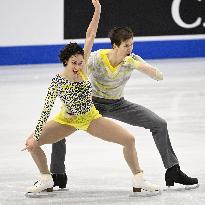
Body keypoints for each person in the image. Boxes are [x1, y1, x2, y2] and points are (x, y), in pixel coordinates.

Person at [22, 0, 160, 194]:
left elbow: (90, 35)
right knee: (32, 143)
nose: (78, 66)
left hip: (90, 118)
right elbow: (46, 110)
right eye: (74, 63)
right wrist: (36, 133)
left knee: (129, 139)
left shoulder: (84, 68)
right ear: (65, 62)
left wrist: (98, 10)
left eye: (80, 62)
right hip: (66, 120)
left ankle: (139, 180)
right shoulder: (57, 81)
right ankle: (46, 179)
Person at [50, 27, 199, 189]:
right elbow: (76, 71)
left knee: (159, 124)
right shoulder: (97, 58)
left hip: (118, 104)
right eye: (126, 46)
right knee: (59, 127)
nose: (130, 49)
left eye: (131, 45)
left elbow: (159, 76)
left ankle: (173, 170)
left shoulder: (132, 60)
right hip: (92, 104)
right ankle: (57, 175)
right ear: (115, 46)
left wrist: (136, 65)